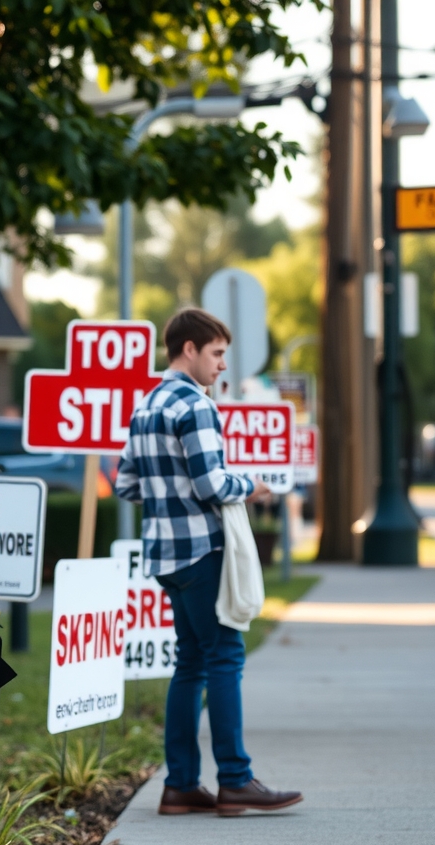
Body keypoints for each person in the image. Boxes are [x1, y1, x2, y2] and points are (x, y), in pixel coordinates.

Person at [115, 307, 303, 817]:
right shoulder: (195, 406)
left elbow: (126, 484)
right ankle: (236, 780)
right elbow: (212, 485)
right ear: (190, 349)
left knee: (190, 662)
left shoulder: (147, 405)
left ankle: (180, 785)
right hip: (202, 549)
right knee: (224, 657)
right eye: (217, 353)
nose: (222, 365)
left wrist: (167, 496)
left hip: (165, 554)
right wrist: (254, 485)